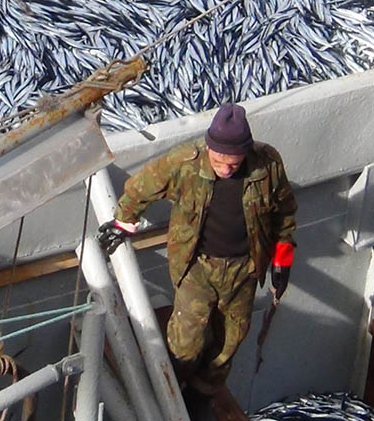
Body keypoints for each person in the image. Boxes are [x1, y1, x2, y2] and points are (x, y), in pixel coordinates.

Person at [97, 103, 297, 419]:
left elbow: (284, 213)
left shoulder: (267, 164)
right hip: (197, 267)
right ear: (208, 148)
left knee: (231, 339)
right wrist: (124, 222)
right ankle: (171, 389)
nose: (226, 168)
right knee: (186, 340)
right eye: (219, 161)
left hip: (244, 269)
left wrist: (282, 260)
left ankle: (201, 396)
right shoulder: (184, 163)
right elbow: (140, 188)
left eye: (233, 163)